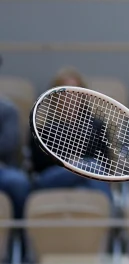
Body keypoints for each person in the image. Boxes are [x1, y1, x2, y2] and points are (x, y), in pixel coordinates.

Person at [29, 68, 112, 198]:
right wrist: (71, 164)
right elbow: (38, 165)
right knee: (90, 166)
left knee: (88, 177)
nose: (71, 97)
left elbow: (105, 161)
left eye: (76, 92)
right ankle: (111, 215)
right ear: (55, 95)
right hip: (52, 178)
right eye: (66, 92)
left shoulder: (96, 125)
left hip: (88, 176)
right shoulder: (42, 127)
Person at [0, 91, 29, 219]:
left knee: (18, 182)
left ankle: (19, 235)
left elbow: (9, 144)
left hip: (3, 168)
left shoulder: (8, 110)